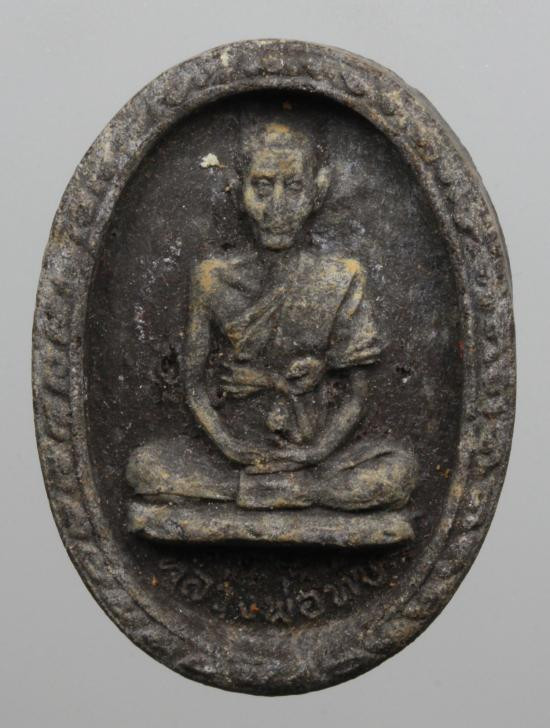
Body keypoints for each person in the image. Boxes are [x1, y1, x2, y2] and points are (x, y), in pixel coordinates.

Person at [127, 116, 417, 512]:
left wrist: (314, 453)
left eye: (293, 187)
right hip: (235, 456)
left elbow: (355, 397)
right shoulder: (212, 279)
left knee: (398, 471)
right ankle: (282, 490)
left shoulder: (342, 277)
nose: (277, 207)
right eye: (262, 187)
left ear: (317, 191)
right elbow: (193, 388)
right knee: (144, 467)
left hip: (313, 457)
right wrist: (229, 446)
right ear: (239, 190)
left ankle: (278, 490)